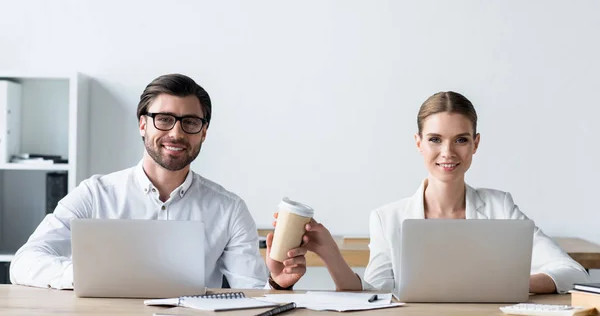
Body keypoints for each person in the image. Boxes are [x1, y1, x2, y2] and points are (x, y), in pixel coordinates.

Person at [10, 73, 307, 290]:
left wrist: (277, 285)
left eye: (190, 122)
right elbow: (24, 263)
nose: (176, 134)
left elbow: (251, 295)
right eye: (163, 119)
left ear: (203, 132)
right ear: (142, 124)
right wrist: (84, 274)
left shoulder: (229, 209)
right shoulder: (94, 195)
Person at [299, 91, 589, 294]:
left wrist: (511, 284)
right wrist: (331, 255)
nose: (447, 153)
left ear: (475, 144)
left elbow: (572, 271)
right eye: (435, 139)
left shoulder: (500, 206)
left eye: (460, 140)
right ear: (418, 143)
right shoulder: (388, 218)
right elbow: (376, 294)